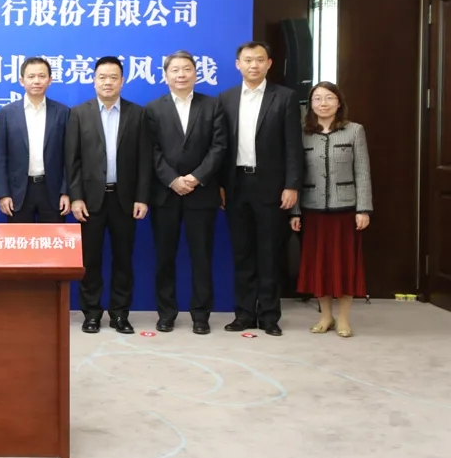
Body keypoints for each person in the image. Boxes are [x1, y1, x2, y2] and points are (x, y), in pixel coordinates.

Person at [220, 41, 304, 336]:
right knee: (242, 253)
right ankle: (244, 314)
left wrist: (292, 185)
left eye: (259, 60)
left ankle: (269, 316)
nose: (253, 65)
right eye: (247, 60)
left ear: (269, 63)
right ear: (238, 65)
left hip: (272, 186)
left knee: (269, 253)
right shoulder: (226, 98)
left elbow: (294, 146)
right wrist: (220, 185)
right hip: (236, 184)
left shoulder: (285, 97)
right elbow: (221, 147)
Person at [65, 56, 150, 334]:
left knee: (123, 259)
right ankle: (91, 314)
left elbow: (144, 160)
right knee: (90, 260)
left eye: (113, 77)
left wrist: (142, 197)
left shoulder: (137, 114)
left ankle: (120, 314)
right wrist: (76, 197)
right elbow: (72, 160)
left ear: (122, 81)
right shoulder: (79, 113)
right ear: (94, 81)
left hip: (125, 200)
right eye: (102, 77)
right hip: (91, 201)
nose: (108, 82)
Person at [145, 51, 228, 335]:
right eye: (175, 70)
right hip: (165, 195)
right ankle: (166, 313)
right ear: (165, 75)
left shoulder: (212, 105)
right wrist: (172, 179)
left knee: (201, 257)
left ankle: (201, 315)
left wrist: (196, 177)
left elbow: (219, 146)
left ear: (195, 73)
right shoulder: (153, 109)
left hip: (201, 193)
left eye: (187, 69)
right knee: (164, 257)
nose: (181, 74)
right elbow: (151, 150)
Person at [290, 82, 372, 338]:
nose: (323, 103)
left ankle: (344, 318)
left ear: (339, 102)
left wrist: (363, 209)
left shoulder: (354, 130)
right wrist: (295, 211)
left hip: (345, 210)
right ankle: (326, 316)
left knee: (345, 265)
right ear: (310, 104)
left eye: (329, 98)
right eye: (317, 99)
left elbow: (362, 171)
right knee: (319, 265)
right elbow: (295, 175)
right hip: (312, 209)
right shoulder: (302, 134)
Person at [0, 56, 70, 223]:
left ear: (50, 80)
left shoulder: (63, 112)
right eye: (31, 76)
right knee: (19, 239)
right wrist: (3, 194)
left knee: (52, 239)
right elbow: (0, 157)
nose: (37, 81)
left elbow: (69, 156)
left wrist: (66, 191)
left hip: (53, 191)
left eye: (42, 76)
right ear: (22, 81)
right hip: (18, 192)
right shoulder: (7, 113)